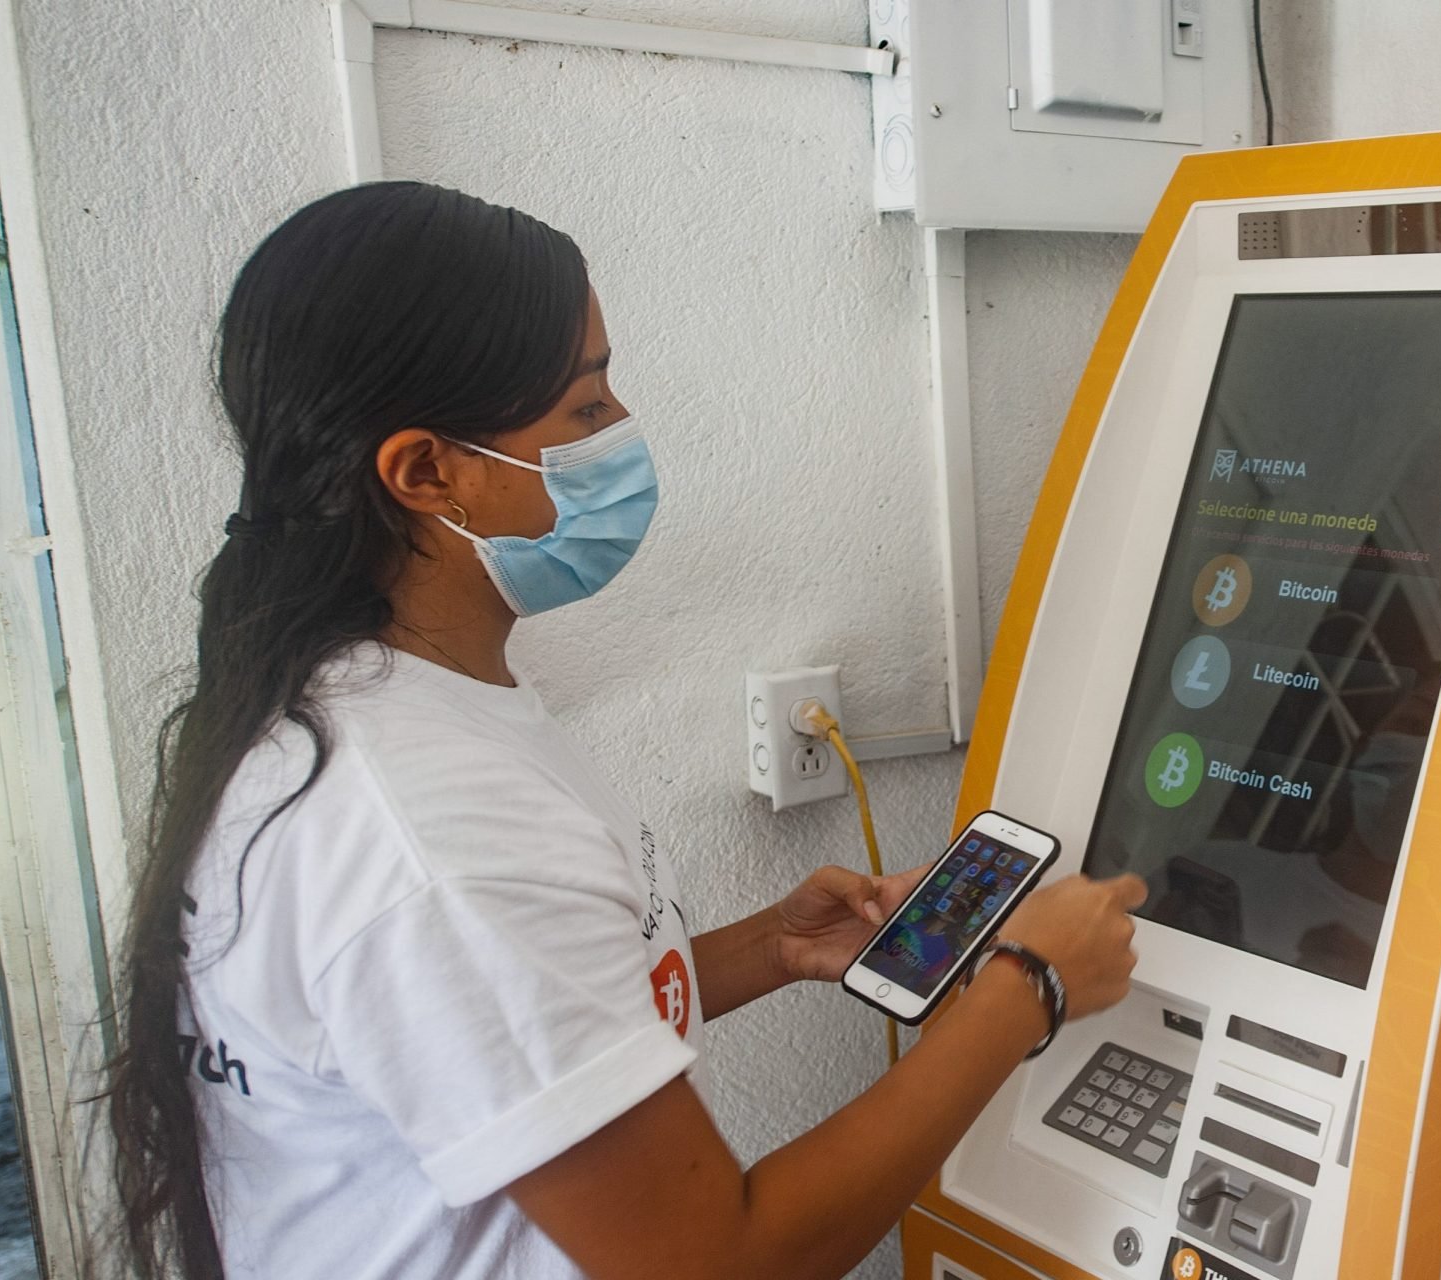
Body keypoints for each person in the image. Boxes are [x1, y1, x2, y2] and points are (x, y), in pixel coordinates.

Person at [97, 181, 1145, 1280]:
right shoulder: (429, 824)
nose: (623, 436)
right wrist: (1026, 985)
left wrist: (763, 950)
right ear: (425, 471)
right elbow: (720, 1258)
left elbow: (481, 1023)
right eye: (585, 410)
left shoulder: (356, 710)